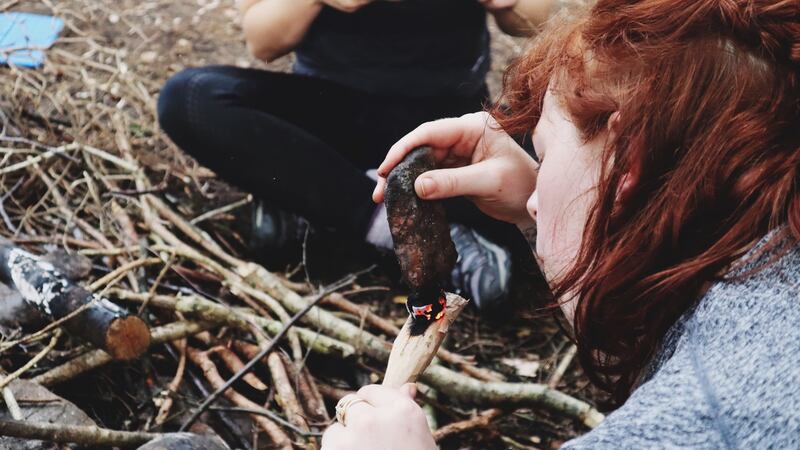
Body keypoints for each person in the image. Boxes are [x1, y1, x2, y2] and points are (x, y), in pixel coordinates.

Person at [321, 0, 800, 448]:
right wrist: (539, 214)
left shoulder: (690, 423)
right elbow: (655, 349)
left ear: (625, 162)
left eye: (543, 153)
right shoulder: (764, 248)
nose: (533, 197)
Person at [157, 0, 561, 310]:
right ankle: (405, 229)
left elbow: (532, 20)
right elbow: (263, 42)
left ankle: (316, 198)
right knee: (189, 98)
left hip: (446, 126)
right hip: (330, 112)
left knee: (565, 148)